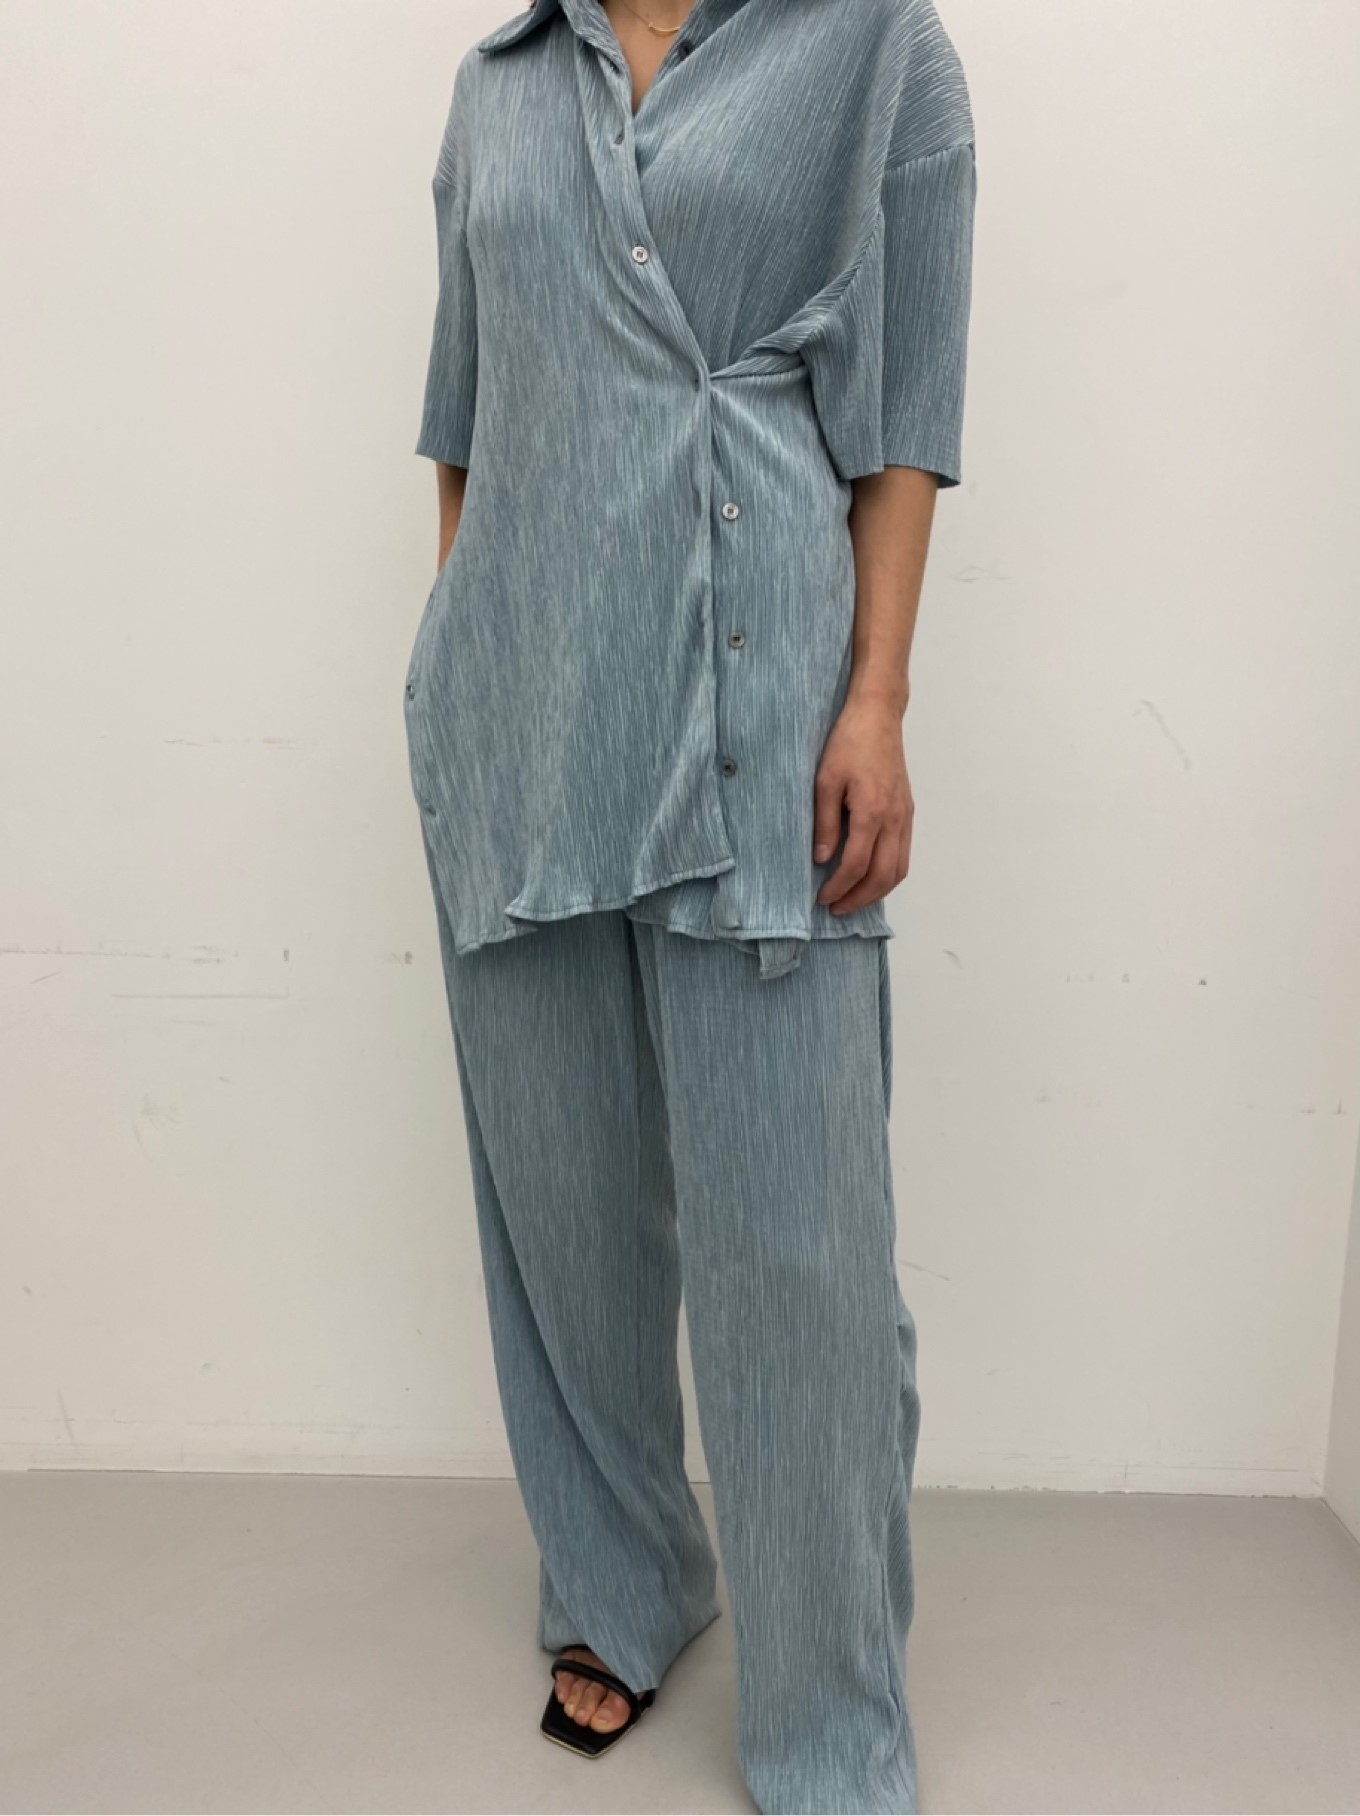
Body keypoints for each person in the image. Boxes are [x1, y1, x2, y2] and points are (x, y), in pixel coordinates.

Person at [402, 0, 976, 1808]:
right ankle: (625, 1585)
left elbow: (908, 412)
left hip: (763, 707)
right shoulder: (498, 86)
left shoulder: (876, 46)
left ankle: (830, 1721)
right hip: (524, 710)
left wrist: (877, 701)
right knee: (563, 1223)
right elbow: (466, 421)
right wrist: (465, 683)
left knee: (800, 1260)